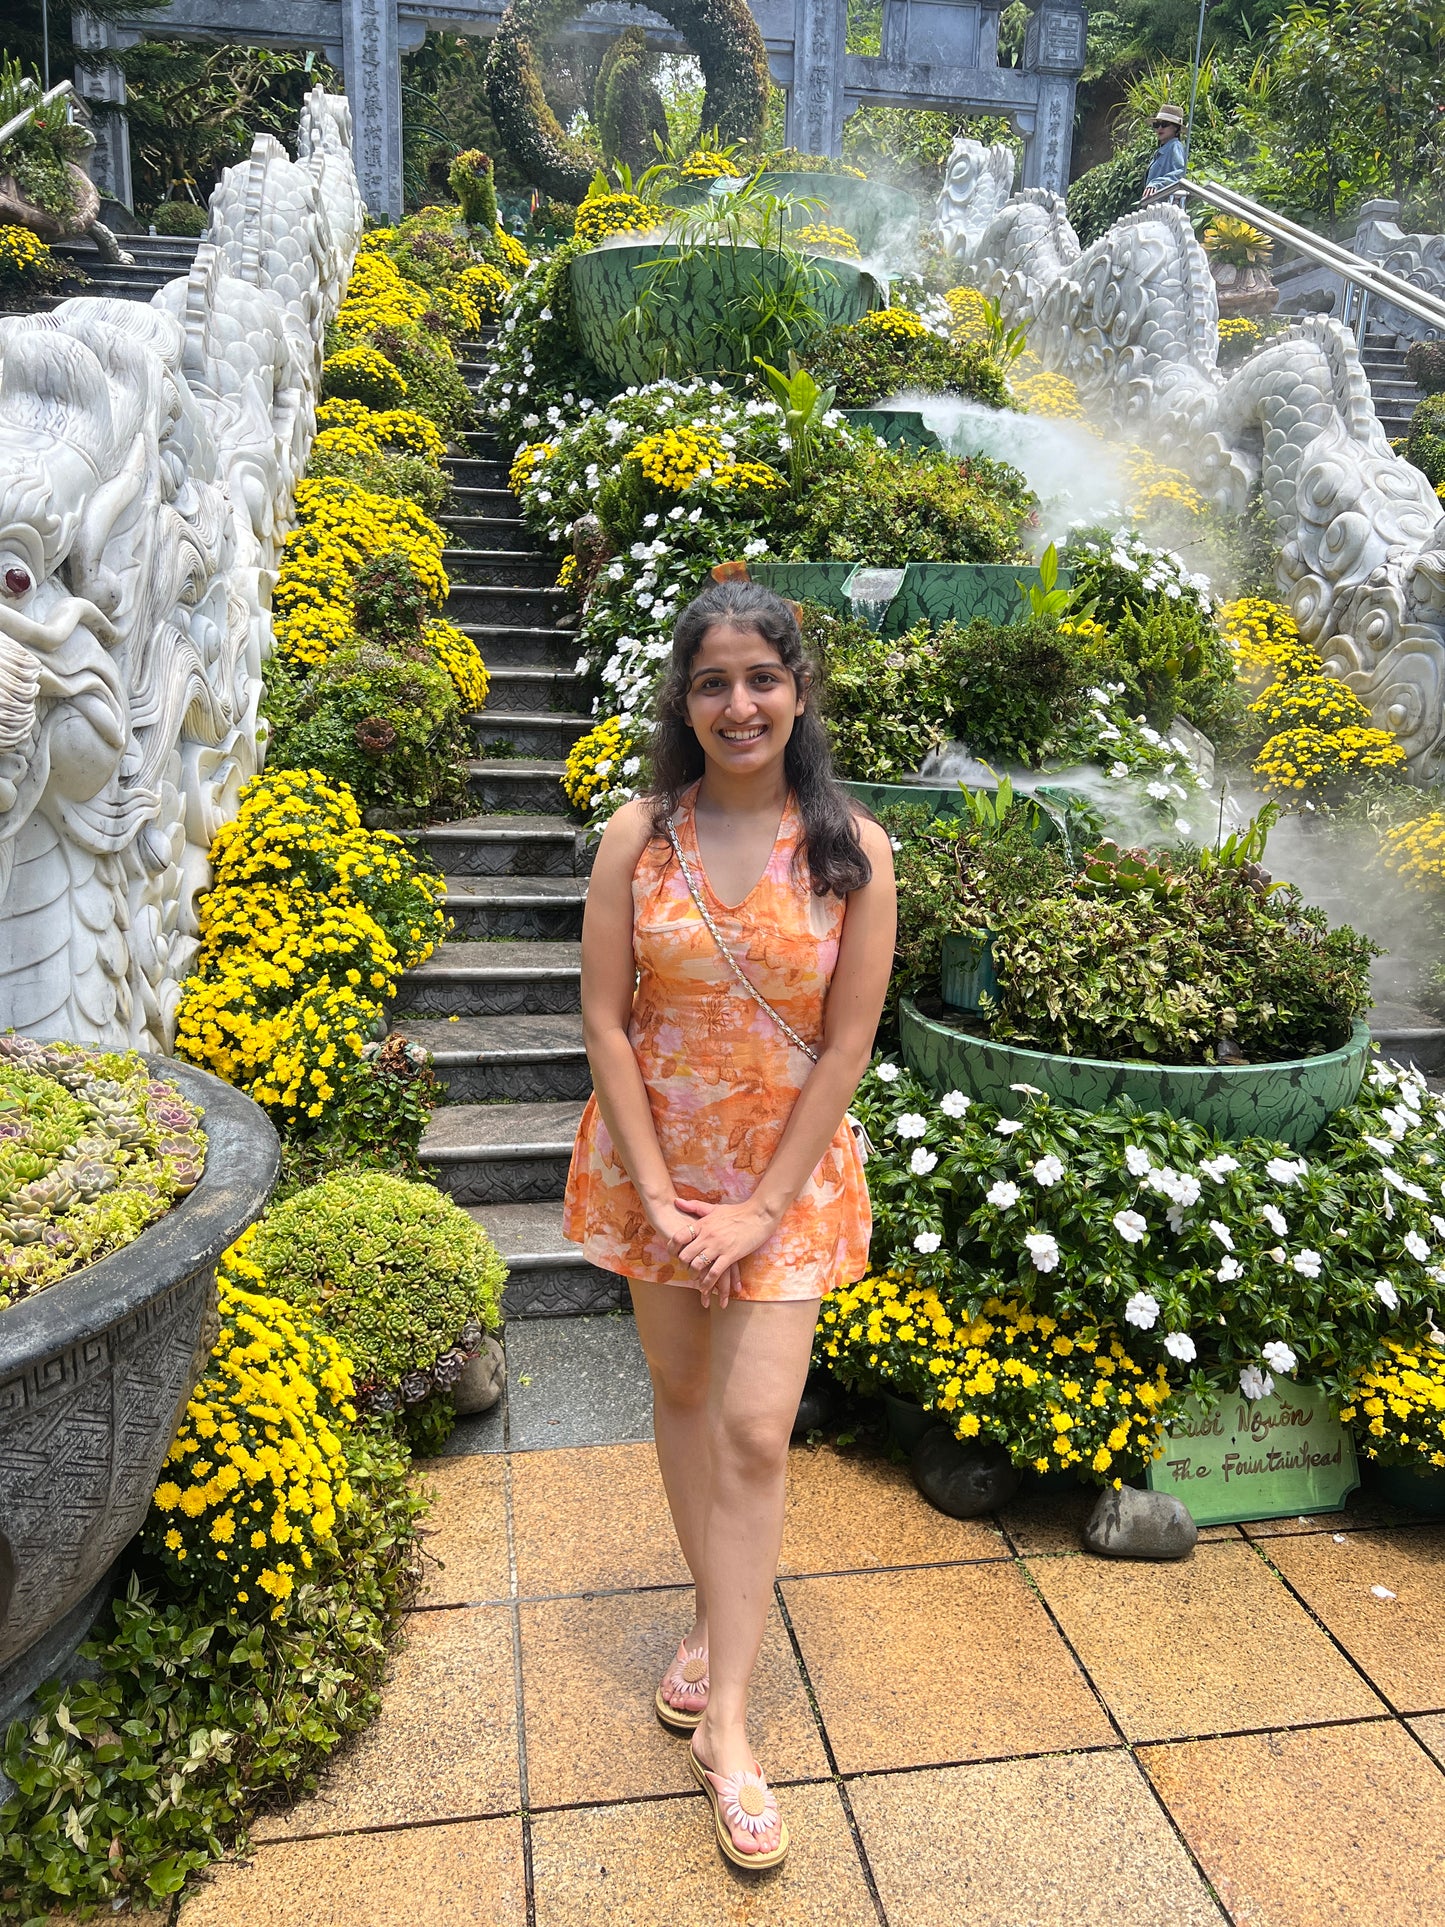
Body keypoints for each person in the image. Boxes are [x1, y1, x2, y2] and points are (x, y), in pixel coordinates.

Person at [564, 579, 895, 1870]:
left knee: (758, 1427)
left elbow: (851, 1037)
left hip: (785, 1178)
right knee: (684, 1393)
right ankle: (711, 1620)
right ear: (683, 699)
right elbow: (604, 1016)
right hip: (658, 1166)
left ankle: (733, 1726)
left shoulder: (851, 850)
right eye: (713, 682)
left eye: (761, 677)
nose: (739, 703)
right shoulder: (636, 837)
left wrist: (759, 1204)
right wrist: (654, 1189)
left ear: (798, 690)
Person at [1141, 103, 1188, 208]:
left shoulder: (1175, 146)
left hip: (1164, 207)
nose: (1160, 128)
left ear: (1176, 128)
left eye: (1165, 124)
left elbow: (1180, 173)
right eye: (1157, 125)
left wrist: (1156, 184)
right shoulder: (1161, 151)